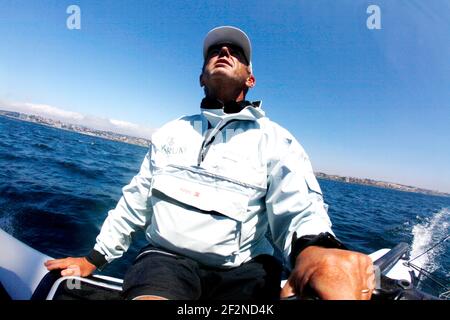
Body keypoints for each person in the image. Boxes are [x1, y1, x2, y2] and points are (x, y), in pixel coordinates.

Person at [45, 26, 375, 300]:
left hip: (247, 269)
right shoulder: (171, 132)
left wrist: (314, 250)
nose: (224, 52)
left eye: (236, 52)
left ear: (250, 79)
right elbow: (135, 203)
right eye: (215, 51)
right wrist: (93, 259)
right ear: (201, 78)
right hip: (166, 260)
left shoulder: (277, 140)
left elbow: (299, 208)